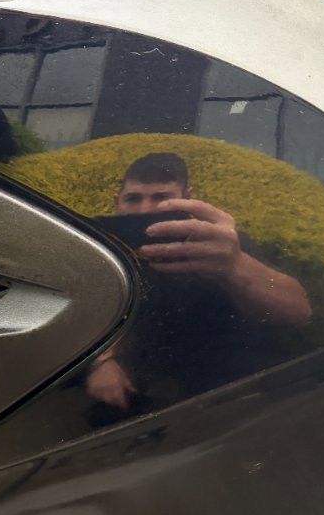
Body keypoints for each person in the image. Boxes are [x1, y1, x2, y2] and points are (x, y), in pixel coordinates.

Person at [87, 152, 311, 410]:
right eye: (133, 199)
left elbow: (299, 310)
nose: (145, 210)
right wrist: (100, 361)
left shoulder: (219, 244)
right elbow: (84, 311)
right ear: (117, 202)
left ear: (187, 199)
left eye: (162, 198)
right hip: (134, 398)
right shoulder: (101, 249)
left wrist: (235, 265)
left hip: (233, 395)